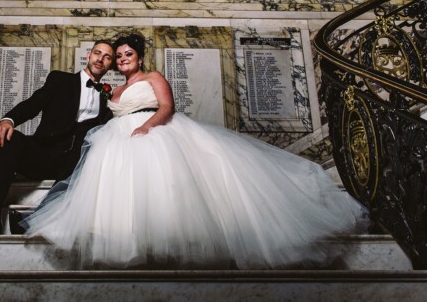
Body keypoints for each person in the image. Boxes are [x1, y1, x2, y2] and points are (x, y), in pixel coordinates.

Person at [21, 33, 367, 268]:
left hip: (154, 131)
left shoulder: (153, 77)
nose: (123, 59)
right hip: (117, 139)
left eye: (129, 54)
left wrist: (146, 127)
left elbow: (167, 107)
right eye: (119, 56)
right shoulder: (111, 91)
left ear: (139, 58)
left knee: (169, 187)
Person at [0, 40, 115, 236]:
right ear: (89, 55)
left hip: (73, 164)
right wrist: (9, 120)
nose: (100, 59)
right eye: (98, 53)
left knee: (88, 145)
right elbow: (34, 103)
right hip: (44, 153)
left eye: (107, 57)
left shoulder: (107, 98)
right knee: (11, 139)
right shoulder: (60, 80)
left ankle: (34, 219)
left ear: (110, 65)